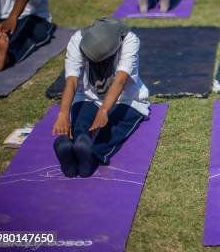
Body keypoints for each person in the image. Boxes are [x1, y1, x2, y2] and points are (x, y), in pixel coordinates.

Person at [51, 18, 150, 178]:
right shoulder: (78, 39)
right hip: (89, 96)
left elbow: (120, 80)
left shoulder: (129, 40)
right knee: (81, 121)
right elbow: (72, 80)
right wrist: (63, 114)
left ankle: (91, 154)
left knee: (116, 126)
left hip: (125, 98)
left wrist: (104, 109)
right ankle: (76, 146)